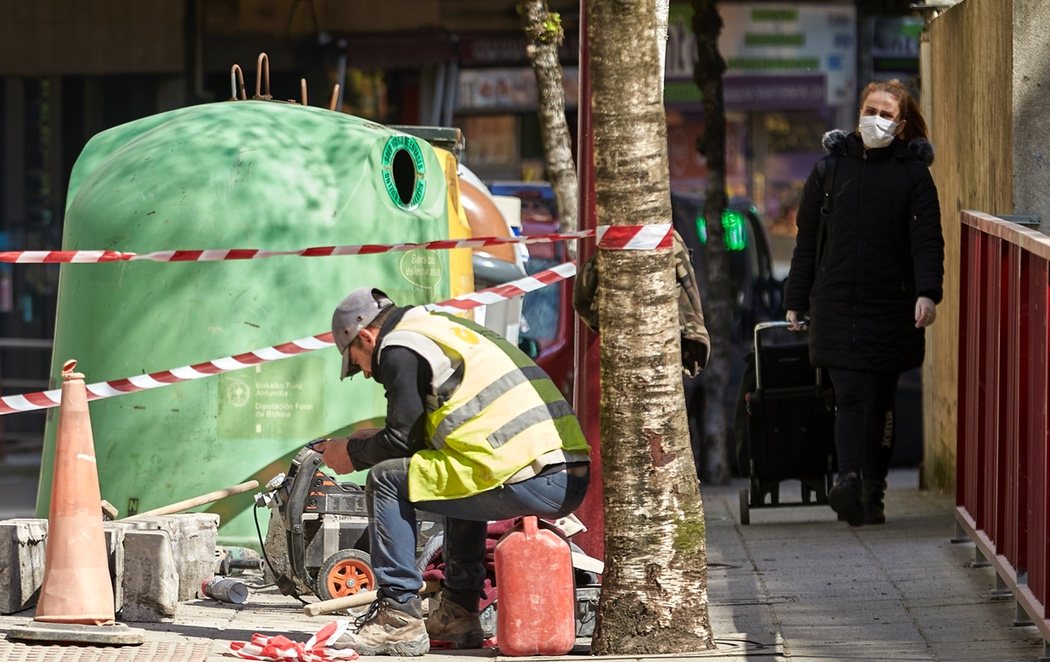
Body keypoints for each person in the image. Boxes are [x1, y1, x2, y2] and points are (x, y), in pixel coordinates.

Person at [317, 287, 591, 656]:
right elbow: (435, 433)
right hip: (564, 470)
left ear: (366, 336)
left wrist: (351, 452)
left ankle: (398, 615)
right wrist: (374, 439)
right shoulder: (438, 329)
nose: (366, 374)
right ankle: (458, 613)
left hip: (530, 472)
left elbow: (401, 444)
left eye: (357, 363)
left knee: (385, 478)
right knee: (443, 472)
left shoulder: (399, 347)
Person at [784, 79, 944, 527]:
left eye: (887, 113)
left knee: (881, 399)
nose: (877, 118)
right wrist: (796, 299)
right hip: (836, 304)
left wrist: (927, 294)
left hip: (891, 305)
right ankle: (850, 479)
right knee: (851, 393)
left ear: (902, 123)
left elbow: (927, 241)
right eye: (871, 109)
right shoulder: (829, 170)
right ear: (858, 113)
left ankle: (873, 488)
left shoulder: (913, 176)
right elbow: (808, 240)